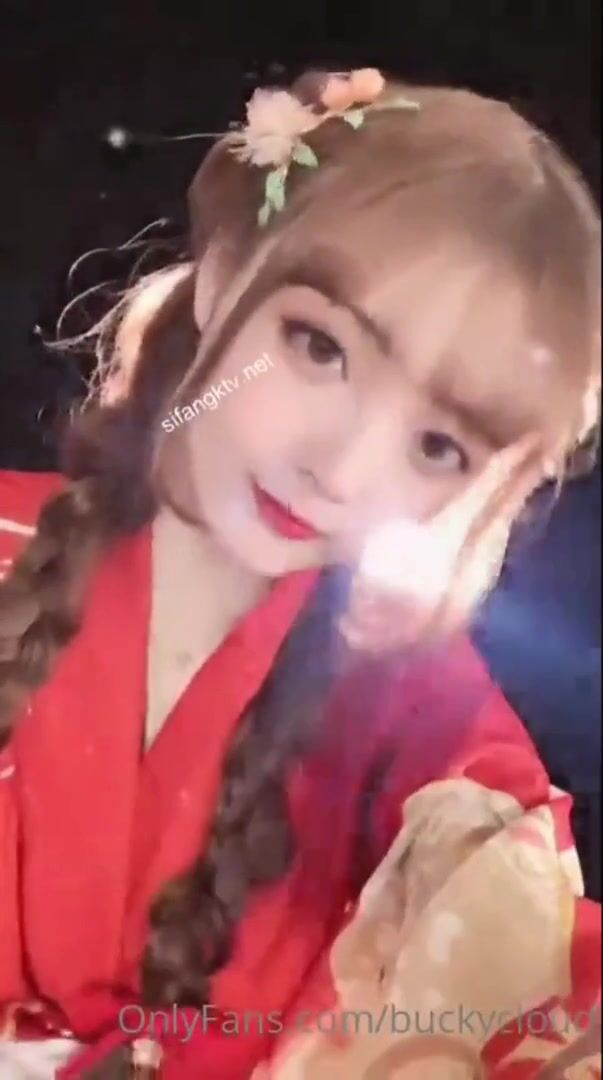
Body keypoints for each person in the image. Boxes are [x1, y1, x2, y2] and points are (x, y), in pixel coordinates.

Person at [0, 68, 600, 1079]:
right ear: (226, 271)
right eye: (320, 348)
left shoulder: (427, 738)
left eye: (437, 446)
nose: (344, 470)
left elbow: (547, 980)